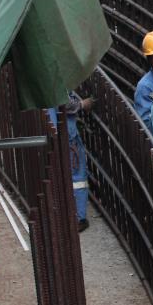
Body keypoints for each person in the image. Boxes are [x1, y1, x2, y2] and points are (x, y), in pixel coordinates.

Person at [47, 92, 94, 232]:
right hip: (67, 136)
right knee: (78, 178)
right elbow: (63, 101)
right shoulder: (54, 74)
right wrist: (82, 104)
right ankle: (78, 218)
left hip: (57, 134)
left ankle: (66, 215)